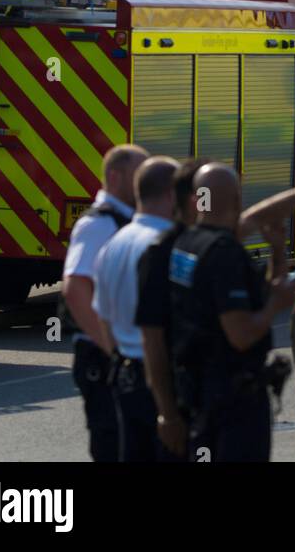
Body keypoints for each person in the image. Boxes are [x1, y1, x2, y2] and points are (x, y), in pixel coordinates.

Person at [169, 165, 295, 462]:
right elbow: (241, 334)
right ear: (237, 200)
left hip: (196, 390)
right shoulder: (224, 253)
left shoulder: (187, 243)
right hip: (232, 400)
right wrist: (277, 305)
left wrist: (277, 252)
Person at [61, 143, 148, 462]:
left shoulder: (129, 222)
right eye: (139, 174)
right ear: (115, 176)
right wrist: (114, 349)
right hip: (102, 358)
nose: (145, 184)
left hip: (120, 356)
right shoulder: (100, 224)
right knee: (114, 445)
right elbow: (76, 288)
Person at [93, 155, 179, 462]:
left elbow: (103, 316)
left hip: (125, 376)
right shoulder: (166, 246)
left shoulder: (113, 245)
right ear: (171, 194)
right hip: (163, 382)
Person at [136, 157, 209, 460]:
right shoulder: (169, 251)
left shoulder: (194, 245)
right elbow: (151, 336)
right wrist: (168, 413)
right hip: (185, 396)